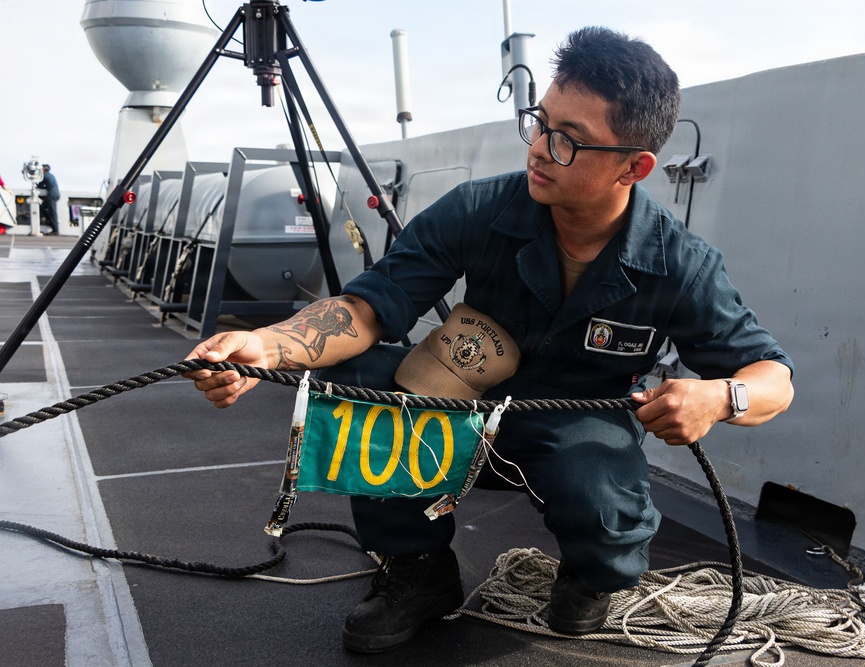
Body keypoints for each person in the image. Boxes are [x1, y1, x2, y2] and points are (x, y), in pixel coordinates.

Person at [186, 27, 793, 653]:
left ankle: (593, 573)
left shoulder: (680, 263)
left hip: (576, 421)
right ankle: (417, 570)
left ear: (632, 167)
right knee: (363, 382)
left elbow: (772, 375)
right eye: (540, 122)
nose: (538, 148)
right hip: (462, 400)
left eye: (568, 141)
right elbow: (369, 308)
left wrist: (720, 399)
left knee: (604, 515)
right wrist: (266, 346)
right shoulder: (480, 209)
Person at [38, 164, 60, 235]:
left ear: (43, 169)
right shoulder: (50, 175)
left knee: (53, 212)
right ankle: (50, 221)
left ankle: (55, 230)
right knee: (42, 207)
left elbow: (40, 185)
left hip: (52, 195)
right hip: (55, 194)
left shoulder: (45, 176)